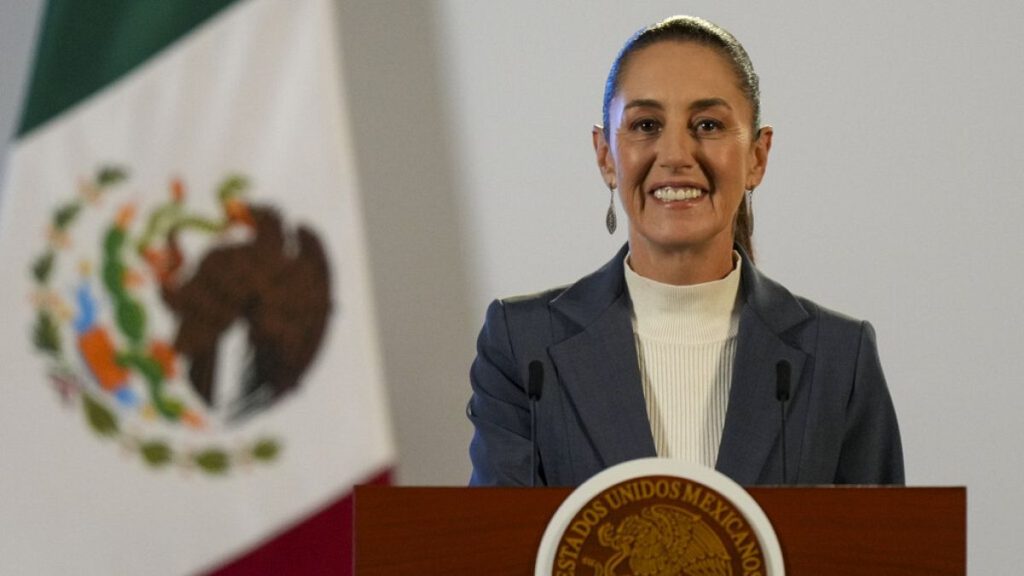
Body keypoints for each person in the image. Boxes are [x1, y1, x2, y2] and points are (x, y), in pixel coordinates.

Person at [467, 15, 903, 487]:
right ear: (606, 155)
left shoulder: (839, 358)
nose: (675, 154)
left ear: (757, 156)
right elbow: (498, 551)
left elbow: (882, 554)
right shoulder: (524, 347)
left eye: (708, 124)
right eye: (646, 124)